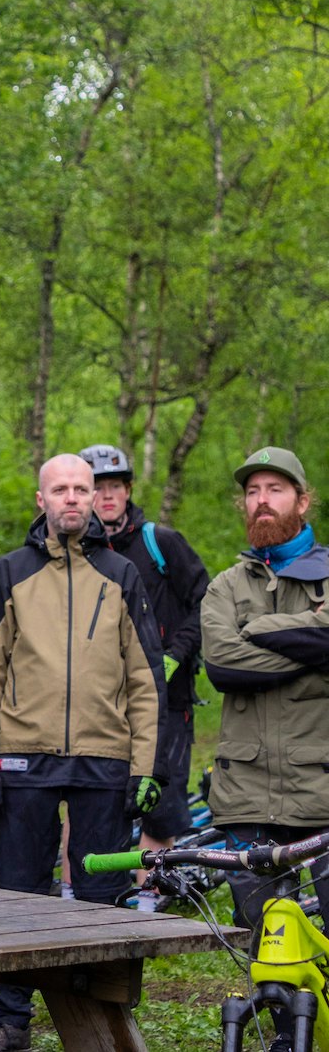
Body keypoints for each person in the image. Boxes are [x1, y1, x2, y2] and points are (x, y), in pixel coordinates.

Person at [0, 454, 166, 1051]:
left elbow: (145, 678)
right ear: (41, 500)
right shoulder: (9, 573)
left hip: (106, 755)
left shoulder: (124, 574)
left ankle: (101, 1017)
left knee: (104, 895)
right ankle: (11, 1020)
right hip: (24, 754)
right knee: (18, 888)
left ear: (96, 498)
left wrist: (146, 767)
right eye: (61, 489)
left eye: (82, 488)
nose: (73, 498)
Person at [201, 446, 329, 1049]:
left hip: (322, 792)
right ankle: (286, 1039)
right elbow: (224, 663)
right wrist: (308, 645)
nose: (262, 500)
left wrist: (257, 630)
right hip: (246, 796)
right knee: (266, 947)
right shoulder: (225, 585)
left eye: (276, 489)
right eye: (253, 490)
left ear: (302, 501)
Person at [80, 443, 209, 910]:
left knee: (163, 794)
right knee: (105, 789)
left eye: (114, 487)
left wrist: (175, 655)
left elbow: (204, 600)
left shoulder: (160, 542)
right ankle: (105, 885)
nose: (106, 496)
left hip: (166, 697)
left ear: (128, 490)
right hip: (103, 698)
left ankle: (156, 890)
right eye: (97, 488)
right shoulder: (84, 550)